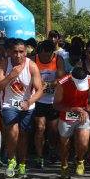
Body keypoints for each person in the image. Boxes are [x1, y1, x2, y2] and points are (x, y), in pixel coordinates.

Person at [0, 38, 44, 179]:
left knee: (23, 136)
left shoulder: (32, 66)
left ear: (26, 52)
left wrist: (29, 101)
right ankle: (11, 161)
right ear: (9, 52)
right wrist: (11, 76)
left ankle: (22, 164)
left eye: (21, 52)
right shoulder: (4, 64)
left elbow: (39, 90)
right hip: (9, 104)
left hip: (27, 105)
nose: (18, 55)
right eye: (15, 52)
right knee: (13, 131)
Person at [54, 66, 90, 177]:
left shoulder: (89, 80)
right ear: (71, 78)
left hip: (82, 115)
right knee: (64, 145)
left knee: (84, 144)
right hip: (66, 116)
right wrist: (71, 109)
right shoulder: (62, 83)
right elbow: (56, 104)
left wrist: (87, 110)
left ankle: (80, 160)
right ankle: (64, 164)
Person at [32, 40, 69, 168]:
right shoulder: (33, 59)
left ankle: (53, 149)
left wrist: (52, 84)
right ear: (40, 52)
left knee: (53, 130)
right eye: (45, 55)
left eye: (49, 55)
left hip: (53, 100)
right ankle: (39, 156)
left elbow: (64, 78)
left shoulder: (58, 59)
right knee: (40, 128)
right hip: (38, 100)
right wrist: (37, 83)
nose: (47, 57)